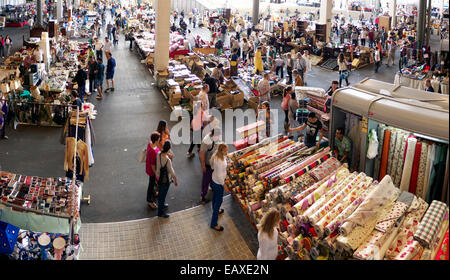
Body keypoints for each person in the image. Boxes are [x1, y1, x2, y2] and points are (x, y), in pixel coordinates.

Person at [155, 140, 178, 218]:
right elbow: (171, 171)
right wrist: (175, 179)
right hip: (166, 180)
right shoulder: (167, 160)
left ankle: (162, 205)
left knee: (161, 193)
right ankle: (160, 213)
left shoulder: (158, 154)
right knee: (162, 195)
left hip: (158, 177)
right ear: (169, 149)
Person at [209, 143, 228, 231]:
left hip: (214, 180)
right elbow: (220, 176)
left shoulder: (216, 156)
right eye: (225, 151)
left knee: (215, 197)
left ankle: (215, 209)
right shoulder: (220, 161)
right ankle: (213, 223)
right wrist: (224, 186)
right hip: (219, 183)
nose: (227, 152)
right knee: (219, 201)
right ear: (221, 151)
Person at [199, 127, 221, 205]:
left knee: (213, 177)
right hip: (208, 164)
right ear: (213, 135)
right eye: (218, 136)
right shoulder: (206, 141)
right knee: (206, 181)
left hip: (214, 163)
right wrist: (203, 165)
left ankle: (212, 187)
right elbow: (202, 154)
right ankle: (203, 197)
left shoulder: (216, 139)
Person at [146, 131, 161, 209]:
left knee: (152, 183)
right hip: (152, 170)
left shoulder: (150, 143)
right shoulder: (153, 152)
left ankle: (153, 193)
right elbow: (153, 165)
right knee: (151, 184)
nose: (160, 140)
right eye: (159, 139)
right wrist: (156, 174)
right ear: (156, 140)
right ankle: (149, 201)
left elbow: (156, 149)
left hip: (149, 167)